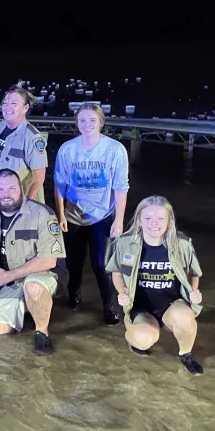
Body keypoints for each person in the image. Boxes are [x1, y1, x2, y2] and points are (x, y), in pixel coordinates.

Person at [0, 169, 65, 354]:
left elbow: (50, 259)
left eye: (11, 188)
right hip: (10, 281)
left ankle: (42, 333)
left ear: (21, 189)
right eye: (0, 189)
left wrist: (9, 275)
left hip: (43, 274)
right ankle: (26, 309)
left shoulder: (42, 214)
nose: (6, 194)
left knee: (32, 287)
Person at [105, 196, 204, 375]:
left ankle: (186, 354)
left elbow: (194, 272)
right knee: (142, 340)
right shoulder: (124, 243)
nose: (154, 223)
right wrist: (121, 291)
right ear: (139, 221)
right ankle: (137, 336)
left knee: (184, 316)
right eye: (148, 218)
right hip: (140, 308)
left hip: (172, 305)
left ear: (169, 221)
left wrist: (194, 291)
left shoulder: (182, 244)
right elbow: (116, 271)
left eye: (160, 218)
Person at [53, 102, 130, 325]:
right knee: (74, 263)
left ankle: (109, 305)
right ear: (76, 123)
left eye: (92, 120)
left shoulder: (115, 150)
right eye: (83, 120)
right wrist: (60, 215)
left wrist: (119, 220)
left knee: (100, 263)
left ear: (101, 122)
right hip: (74, 215)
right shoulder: (68, 149)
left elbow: (121, 187)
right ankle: (74, 295)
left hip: (102, 215)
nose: (87, 125)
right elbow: (59, 184)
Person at [0, 85, 48, 203]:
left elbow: (39, 177)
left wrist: (26, 203)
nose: (7, 107)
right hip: (0, 199)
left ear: (25, 108)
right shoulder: (0, 127)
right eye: (5, 103)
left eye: (14, 104)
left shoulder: (33, 137)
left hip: (20, 202)